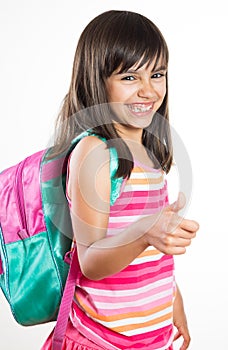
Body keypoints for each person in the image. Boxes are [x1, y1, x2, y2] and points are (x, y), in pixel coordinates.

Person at [42, 10, 199, 350]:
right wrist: (146, 231)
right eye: (129, 78)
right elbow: (92, 262)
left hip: (149, 340)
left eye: (157, 74)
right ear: (97, 80)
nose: (148, 90)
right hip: (101, 340)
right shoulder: (94, 153)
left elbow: (152, 253)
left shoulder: (150, 150)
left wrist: (173, 302)